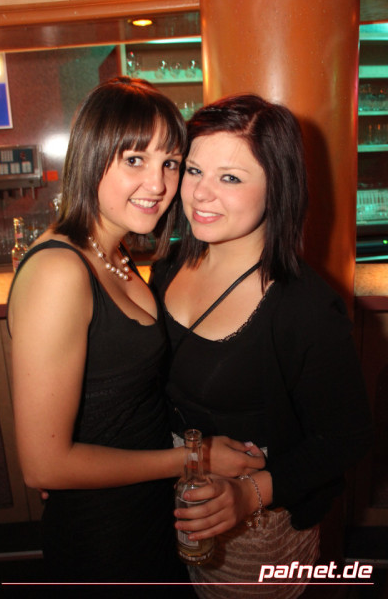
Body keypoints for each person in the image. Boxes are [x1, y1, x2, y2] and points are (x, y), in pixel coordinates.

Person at [7, 78, 265, 595]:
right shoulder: (60, 271)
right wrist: (193, 458)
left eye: (170, 163)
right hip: (103, 536)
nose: (158, 184)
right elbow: (43, 466)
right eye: (134, 160)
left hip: (147, 507)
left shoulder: (114, 250)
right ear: (91, 156)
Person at [150, 93, 373, 598]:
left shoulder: (303, 309)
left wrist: (249, 495)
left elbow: (347, 436)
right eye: (193, 170)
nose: (200, 194)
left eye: (230, 178)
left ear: (278, 186)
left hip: (255, 538)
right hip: (170, 505)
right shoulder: (168, 267)